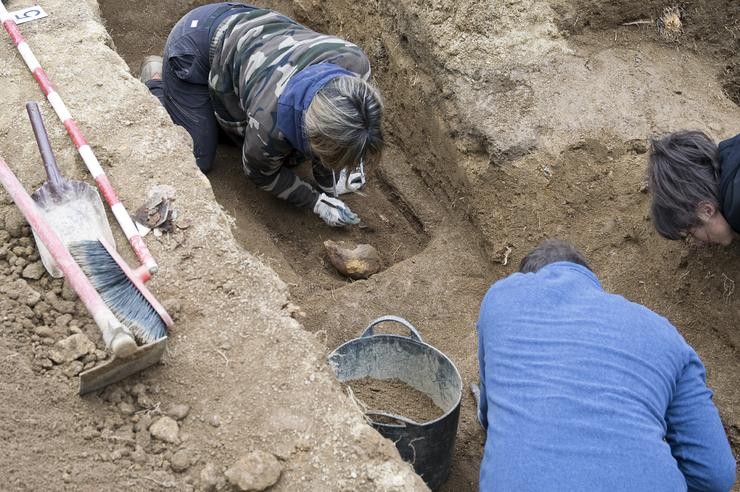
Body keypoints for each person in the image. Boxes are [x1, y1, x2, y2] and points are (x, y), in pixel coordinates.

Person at [474, 239, 736, 491]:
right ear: (591, 282)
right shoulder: (663, 332)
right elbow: (715, 475)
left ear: (531, 276)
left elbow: (489, 411)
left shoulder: (501, 298)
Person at [139, 2, 384, 227]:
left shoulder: (355, 66)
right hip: (196, 45)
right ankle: (158, 80)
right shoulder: (268, 123)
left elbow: (347, 122)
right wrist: (315, 201)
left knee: (293, 153)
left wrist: (330, 169)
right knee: (197, 157)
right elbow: (260, 173)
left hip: (251, 27)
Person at [647, 130, 740, 245]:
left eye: (691, 233)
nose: (697, 243)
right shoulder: (730, 151)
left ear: (707, 210)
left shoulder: (736, 207)